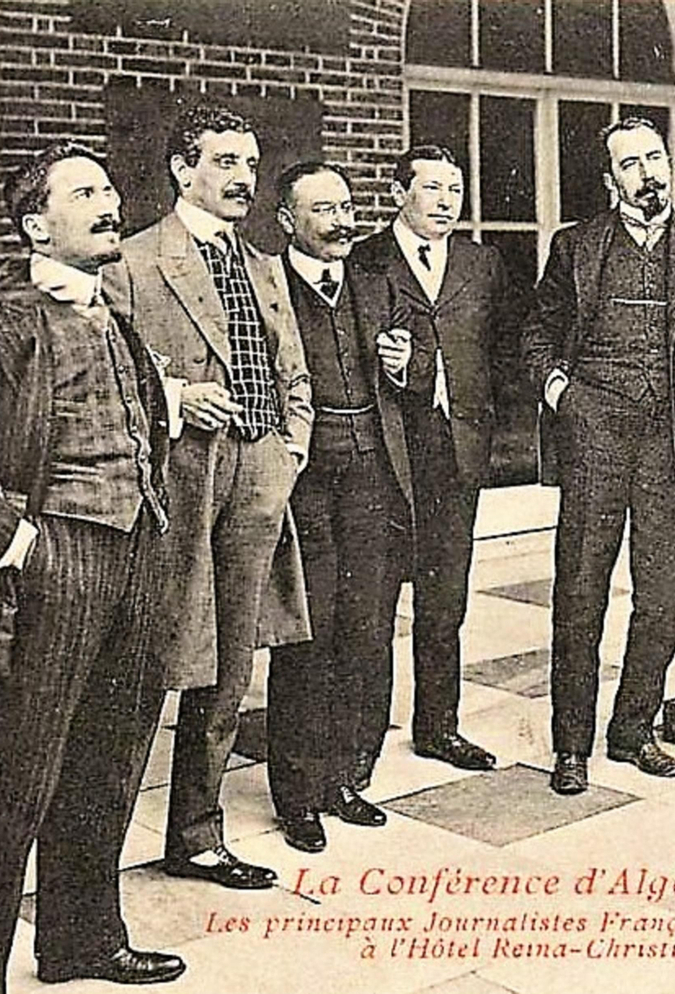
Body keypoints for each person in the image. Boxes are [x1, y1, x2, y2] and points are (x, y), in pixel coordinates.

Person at [0, 141, 184, 993]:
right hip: (54, 569)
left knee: (109, 765)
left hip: (135, 561)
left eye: (109, 186)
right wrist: (30, 548)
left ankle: (81, 942)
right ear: (35, 226)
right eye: (84, 191)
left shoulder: (117, 322)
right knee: (11, 786)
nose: (109, 200)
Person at [105, 104, 312, 891]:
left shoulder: (262, 264)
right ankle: (92, 852)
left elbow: (295, 374)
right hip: (180, 484)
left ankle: (195, 835)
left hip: (260, 473)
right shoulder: (132, 262)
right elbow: (111, 377)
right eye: (226, 161)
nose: (244, 179)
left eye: (251, 165)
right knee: (155, 659)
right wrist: (176, 394)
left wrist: (291, 444)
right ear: (181, 170)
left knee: (231, 667)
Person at [521, 118, 675, 796]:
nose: (649, 174)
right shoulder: (575, 246)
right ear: (611, 182)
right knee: (580, 593)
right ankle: (571, 745)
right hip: (593, 435)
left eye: (655, 159)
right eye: (631, 165)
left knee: (667, 595)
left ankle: (634, 728)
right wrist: (561, 391)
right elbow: (539, 333)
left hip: (668, 440)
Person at [266, 161, 413, 850]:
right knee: (307, 634)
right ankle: (297, 796)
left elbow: (416, 379)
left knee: (364, 629)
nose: (341, 220)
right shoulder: (265, 288)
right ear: (288, 221)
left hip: (370, 477)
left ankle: (345, 777)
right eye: (323, 209)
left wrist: (405, 364)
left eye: (347, 206)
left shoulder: (377, 287)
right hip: (303, 480)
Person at [348, 146, 504, 777]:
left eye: (455, 190)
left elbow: (500, 352)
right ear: (398, 193)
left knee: (446, 601)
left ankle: (439, 726)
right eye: (432, 188)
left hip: (456, 452)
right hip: (386, 456)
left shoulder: (481, 263)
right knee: (374, 607)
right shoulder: (363, 261)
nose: (445, 201)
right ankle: (359, 745)